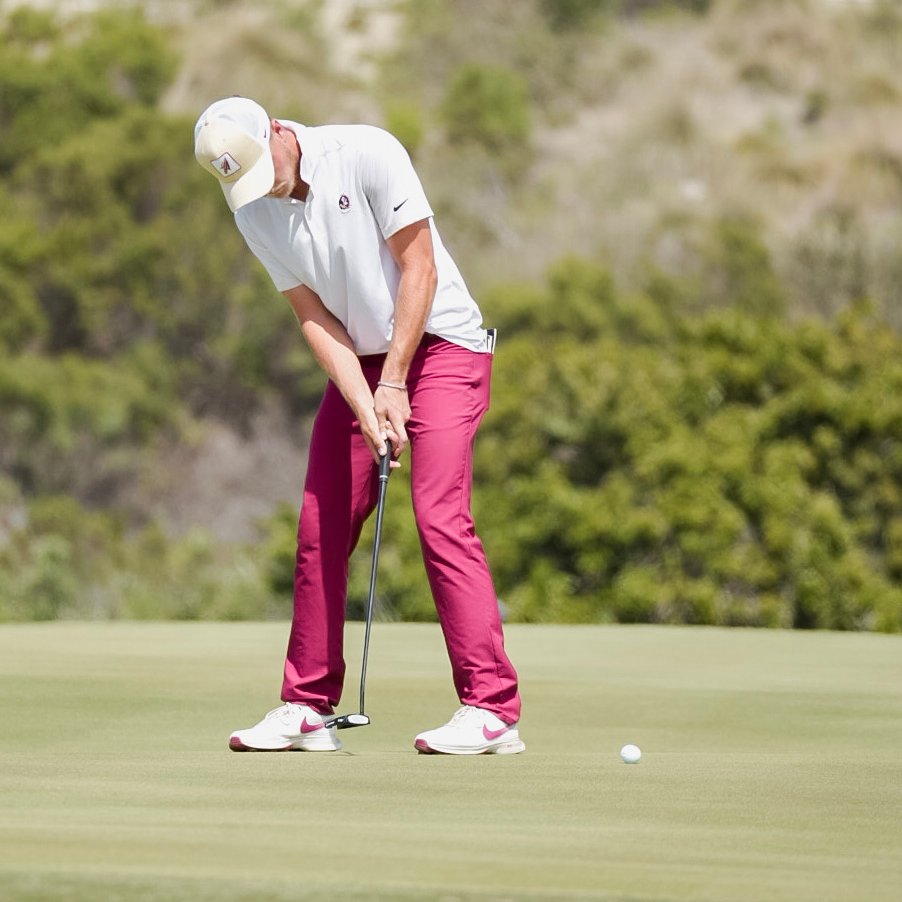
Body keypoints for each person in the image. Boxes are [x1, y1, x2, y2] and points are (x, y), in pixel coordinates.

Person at [193, 96, 524, 755]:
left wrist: (395, 382)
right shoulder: (251, 208)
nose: (270, 187)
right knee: (322, 525)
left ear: (279, 132)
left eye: (269, 168)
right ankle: (307, 706)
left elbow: (419, 268)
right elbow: (314, 318)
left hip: (443, 345)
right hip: (362, 363)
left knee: (438, 515)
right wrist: (364, 400)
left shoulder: (367, 153)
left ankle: (491, 710)